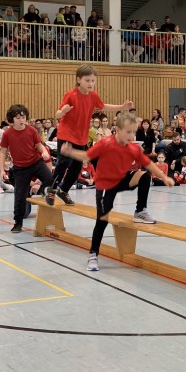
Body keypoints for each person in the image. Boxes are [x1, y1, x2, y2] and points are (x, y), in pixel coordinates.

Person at [59, 113, 173, 272]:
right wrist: (70, 152)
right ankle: (93, 254)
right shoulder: (106, 144)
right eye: (128, 132)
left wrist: (164, 177)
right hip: (105, 185)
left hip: (122, 179)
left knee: (144, 176)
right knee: (103, 219)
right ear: (117, 130)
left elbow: (149, 164)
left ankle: (140, 211)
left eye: (134, 132)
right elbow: (86, 155)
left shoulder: (133, 147)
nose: (132, 136)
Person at [46, 64, 134, 207]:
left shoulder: (93, 95)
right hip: (67, 134)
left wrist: (121, 107)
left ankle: (63, 190)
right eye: (87, 80)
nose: (91, 83)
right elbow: (57, 114)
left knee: (76, 168)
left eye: (93, 80)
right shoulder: (71, 94)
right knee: (64, 162)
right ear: (78, 80)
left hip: (81, 137)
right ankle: (51, 189)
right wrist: (63, 112)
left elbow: (103, 106)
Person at [0, 104, 53, 234]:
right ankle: (18, 223)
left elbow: (39, 145)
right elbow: (3, 152)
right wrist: (1, 170)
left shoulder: (31, 130)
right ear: (12, 119)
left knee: (49, 178)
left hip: (36, 163)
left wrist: (44, 152)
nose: (21, 120)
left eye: (23, 117)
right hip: (20, 168)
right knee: (19, 197)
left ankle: (45, 193)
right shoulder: (7, 134)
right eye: (18, 118)